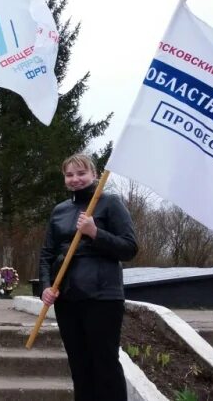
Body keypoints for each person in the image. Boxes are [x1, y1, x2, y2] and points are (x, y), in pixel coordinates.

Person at [39, 154, 138, 401]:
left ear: (94, 175)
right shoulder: (59, 210)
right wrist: (46, 286)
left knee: (104, 365)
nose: (75, 179)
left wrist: (95, 232)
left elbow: (129, 248)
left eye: (81, 174)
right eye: (69, 175)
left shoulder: (110, 203)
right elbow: (47, 254)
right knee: (79, 366)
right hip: (67, 299)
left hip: (102, 297)